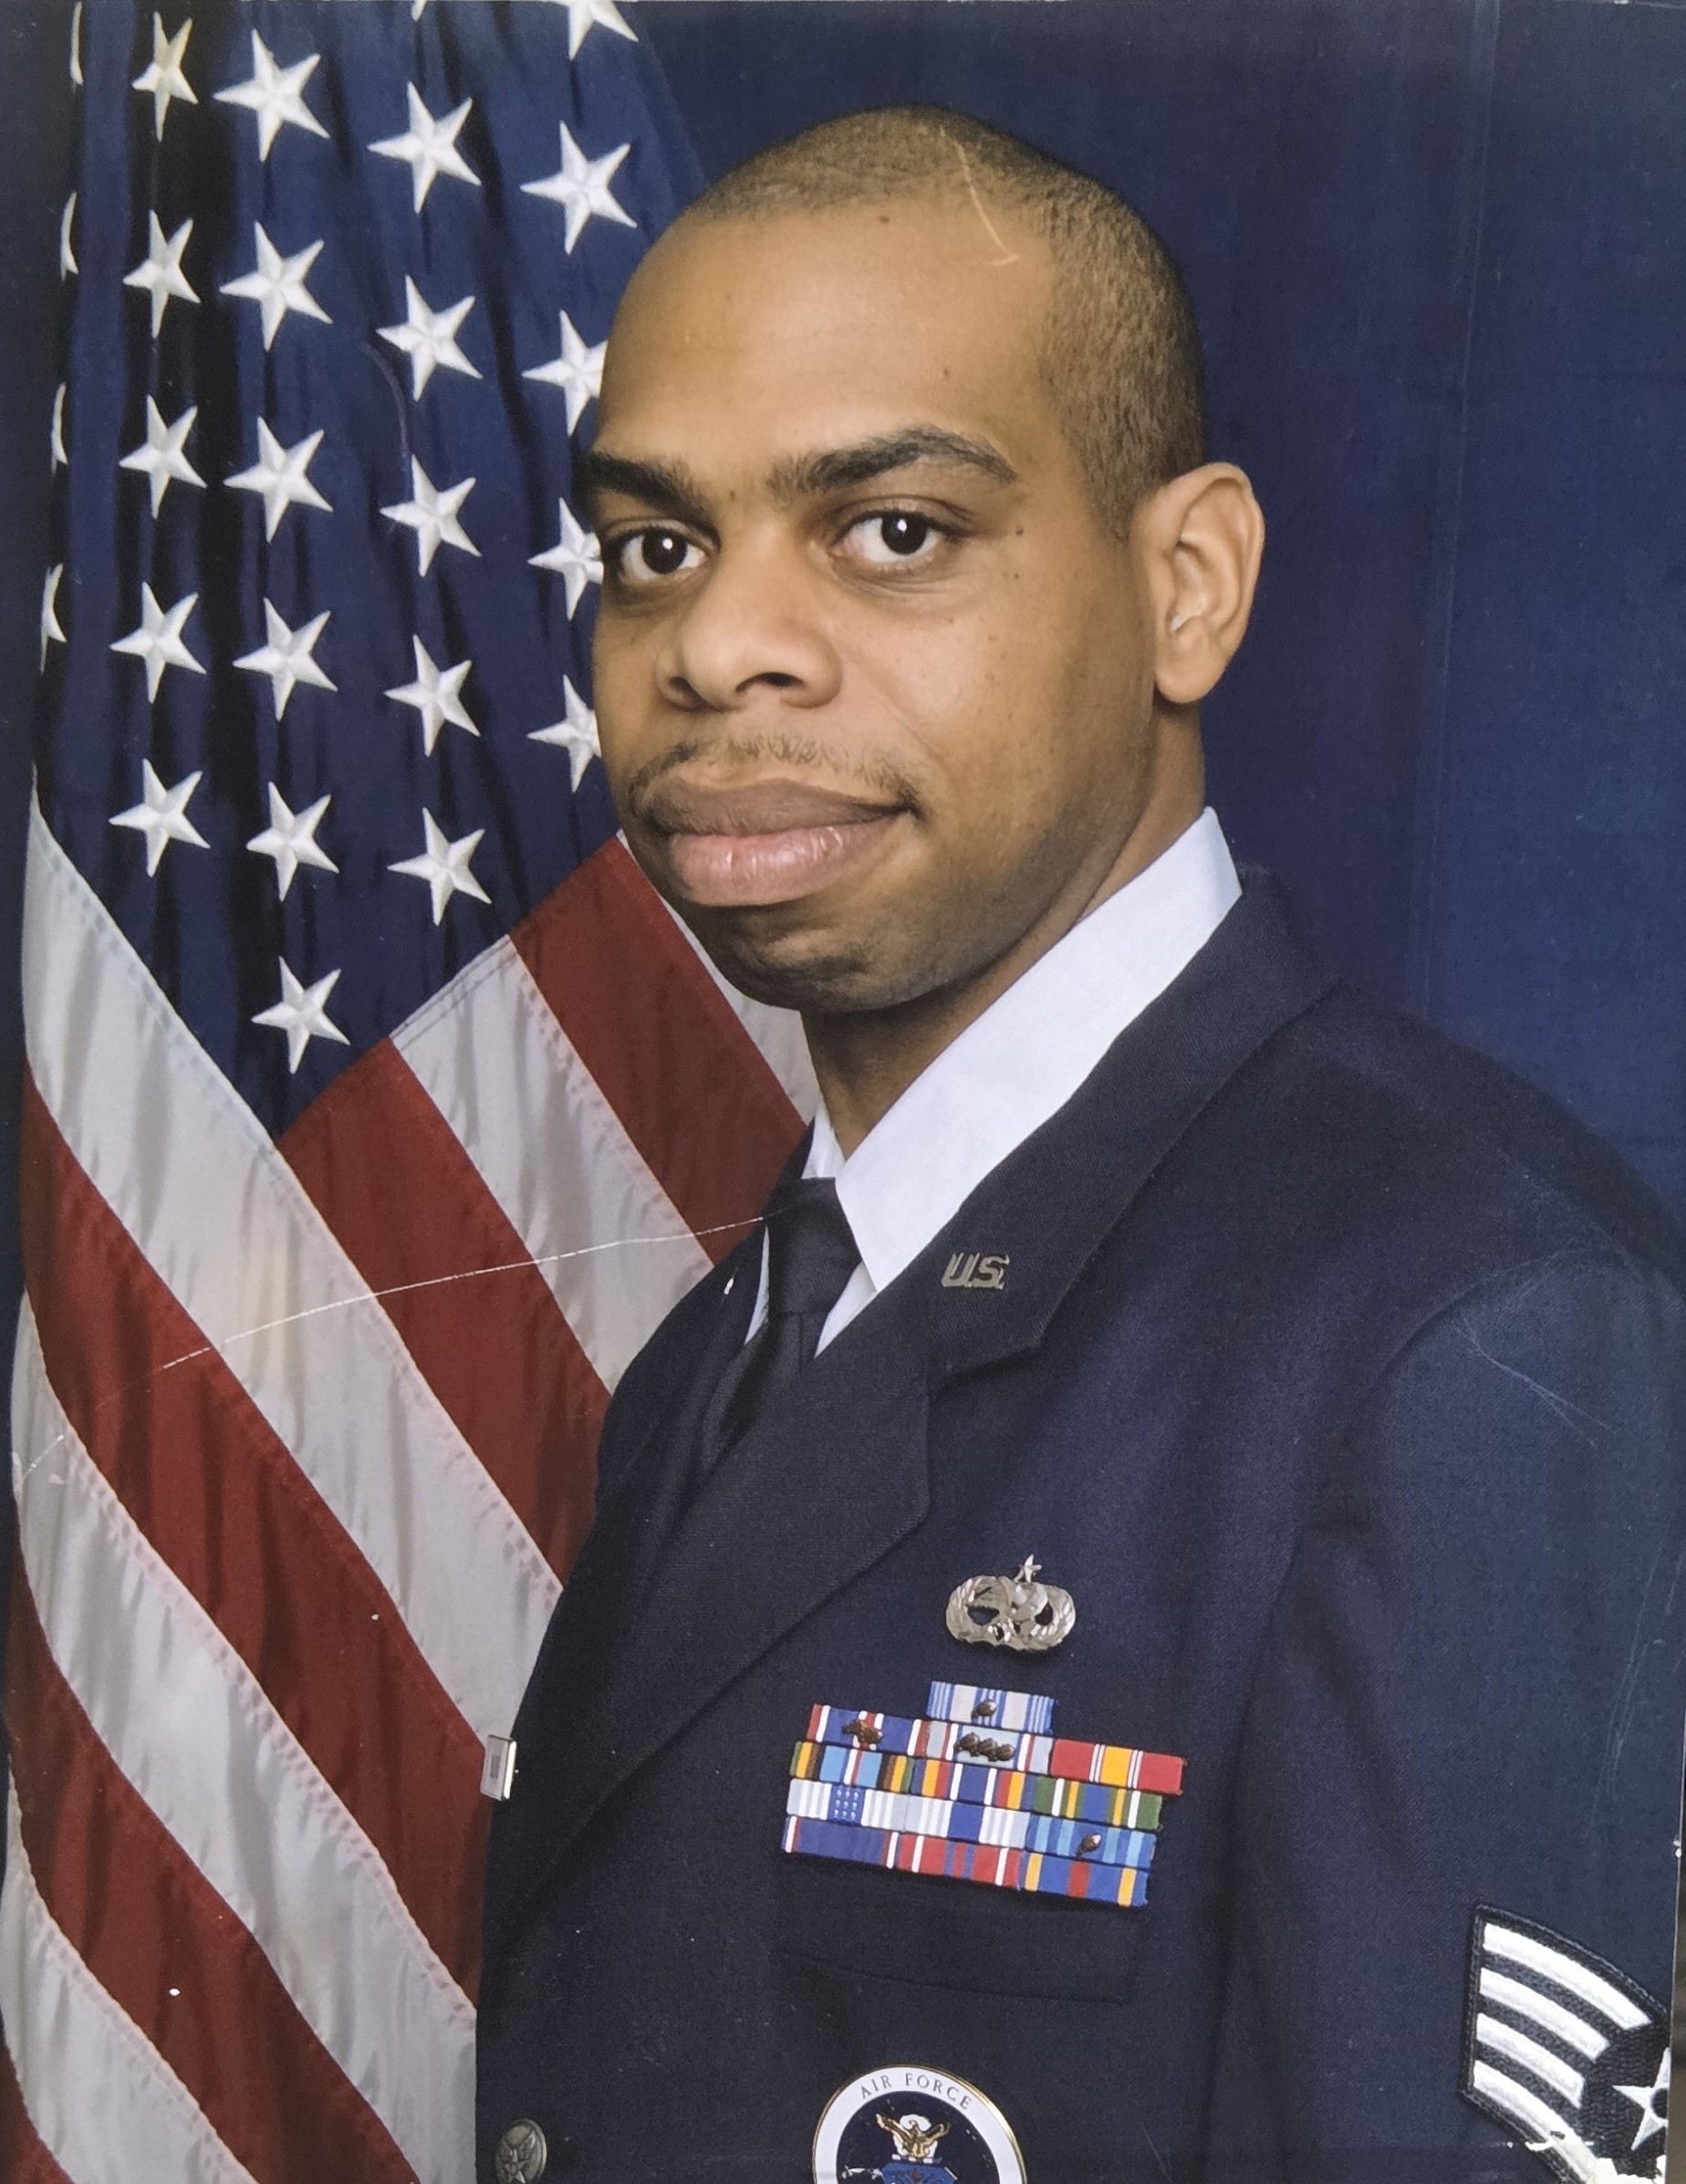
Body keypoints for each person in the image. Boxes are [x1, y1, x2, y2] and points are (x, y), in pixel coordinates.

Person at [476, 108, 1686, 2184]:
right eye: (654, 546)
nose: (716, 645)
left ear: (1184, 587)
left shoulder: (1470, 1334)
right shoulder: (738, 1342)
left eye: (892, 530)